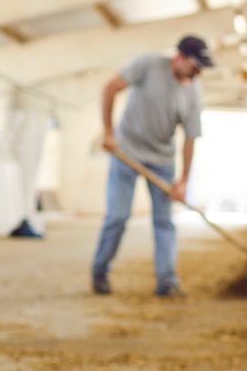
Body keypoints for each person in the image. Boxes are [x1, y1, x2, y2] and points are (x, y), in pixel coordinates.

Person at [91, 35, 212, 297]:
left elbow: (190, 138)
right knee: (118, 217)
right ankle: (100, 271)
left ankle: (167, 281)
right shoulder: (148, 64)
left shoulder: (193, 91)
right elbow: (110, 87)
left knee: (164, 222)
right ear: (179, 57)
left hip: (162, 161)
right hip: (127, 151)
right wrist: (109, 133)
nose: (197, 73)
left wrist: (182, 182)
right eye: (194, 66)